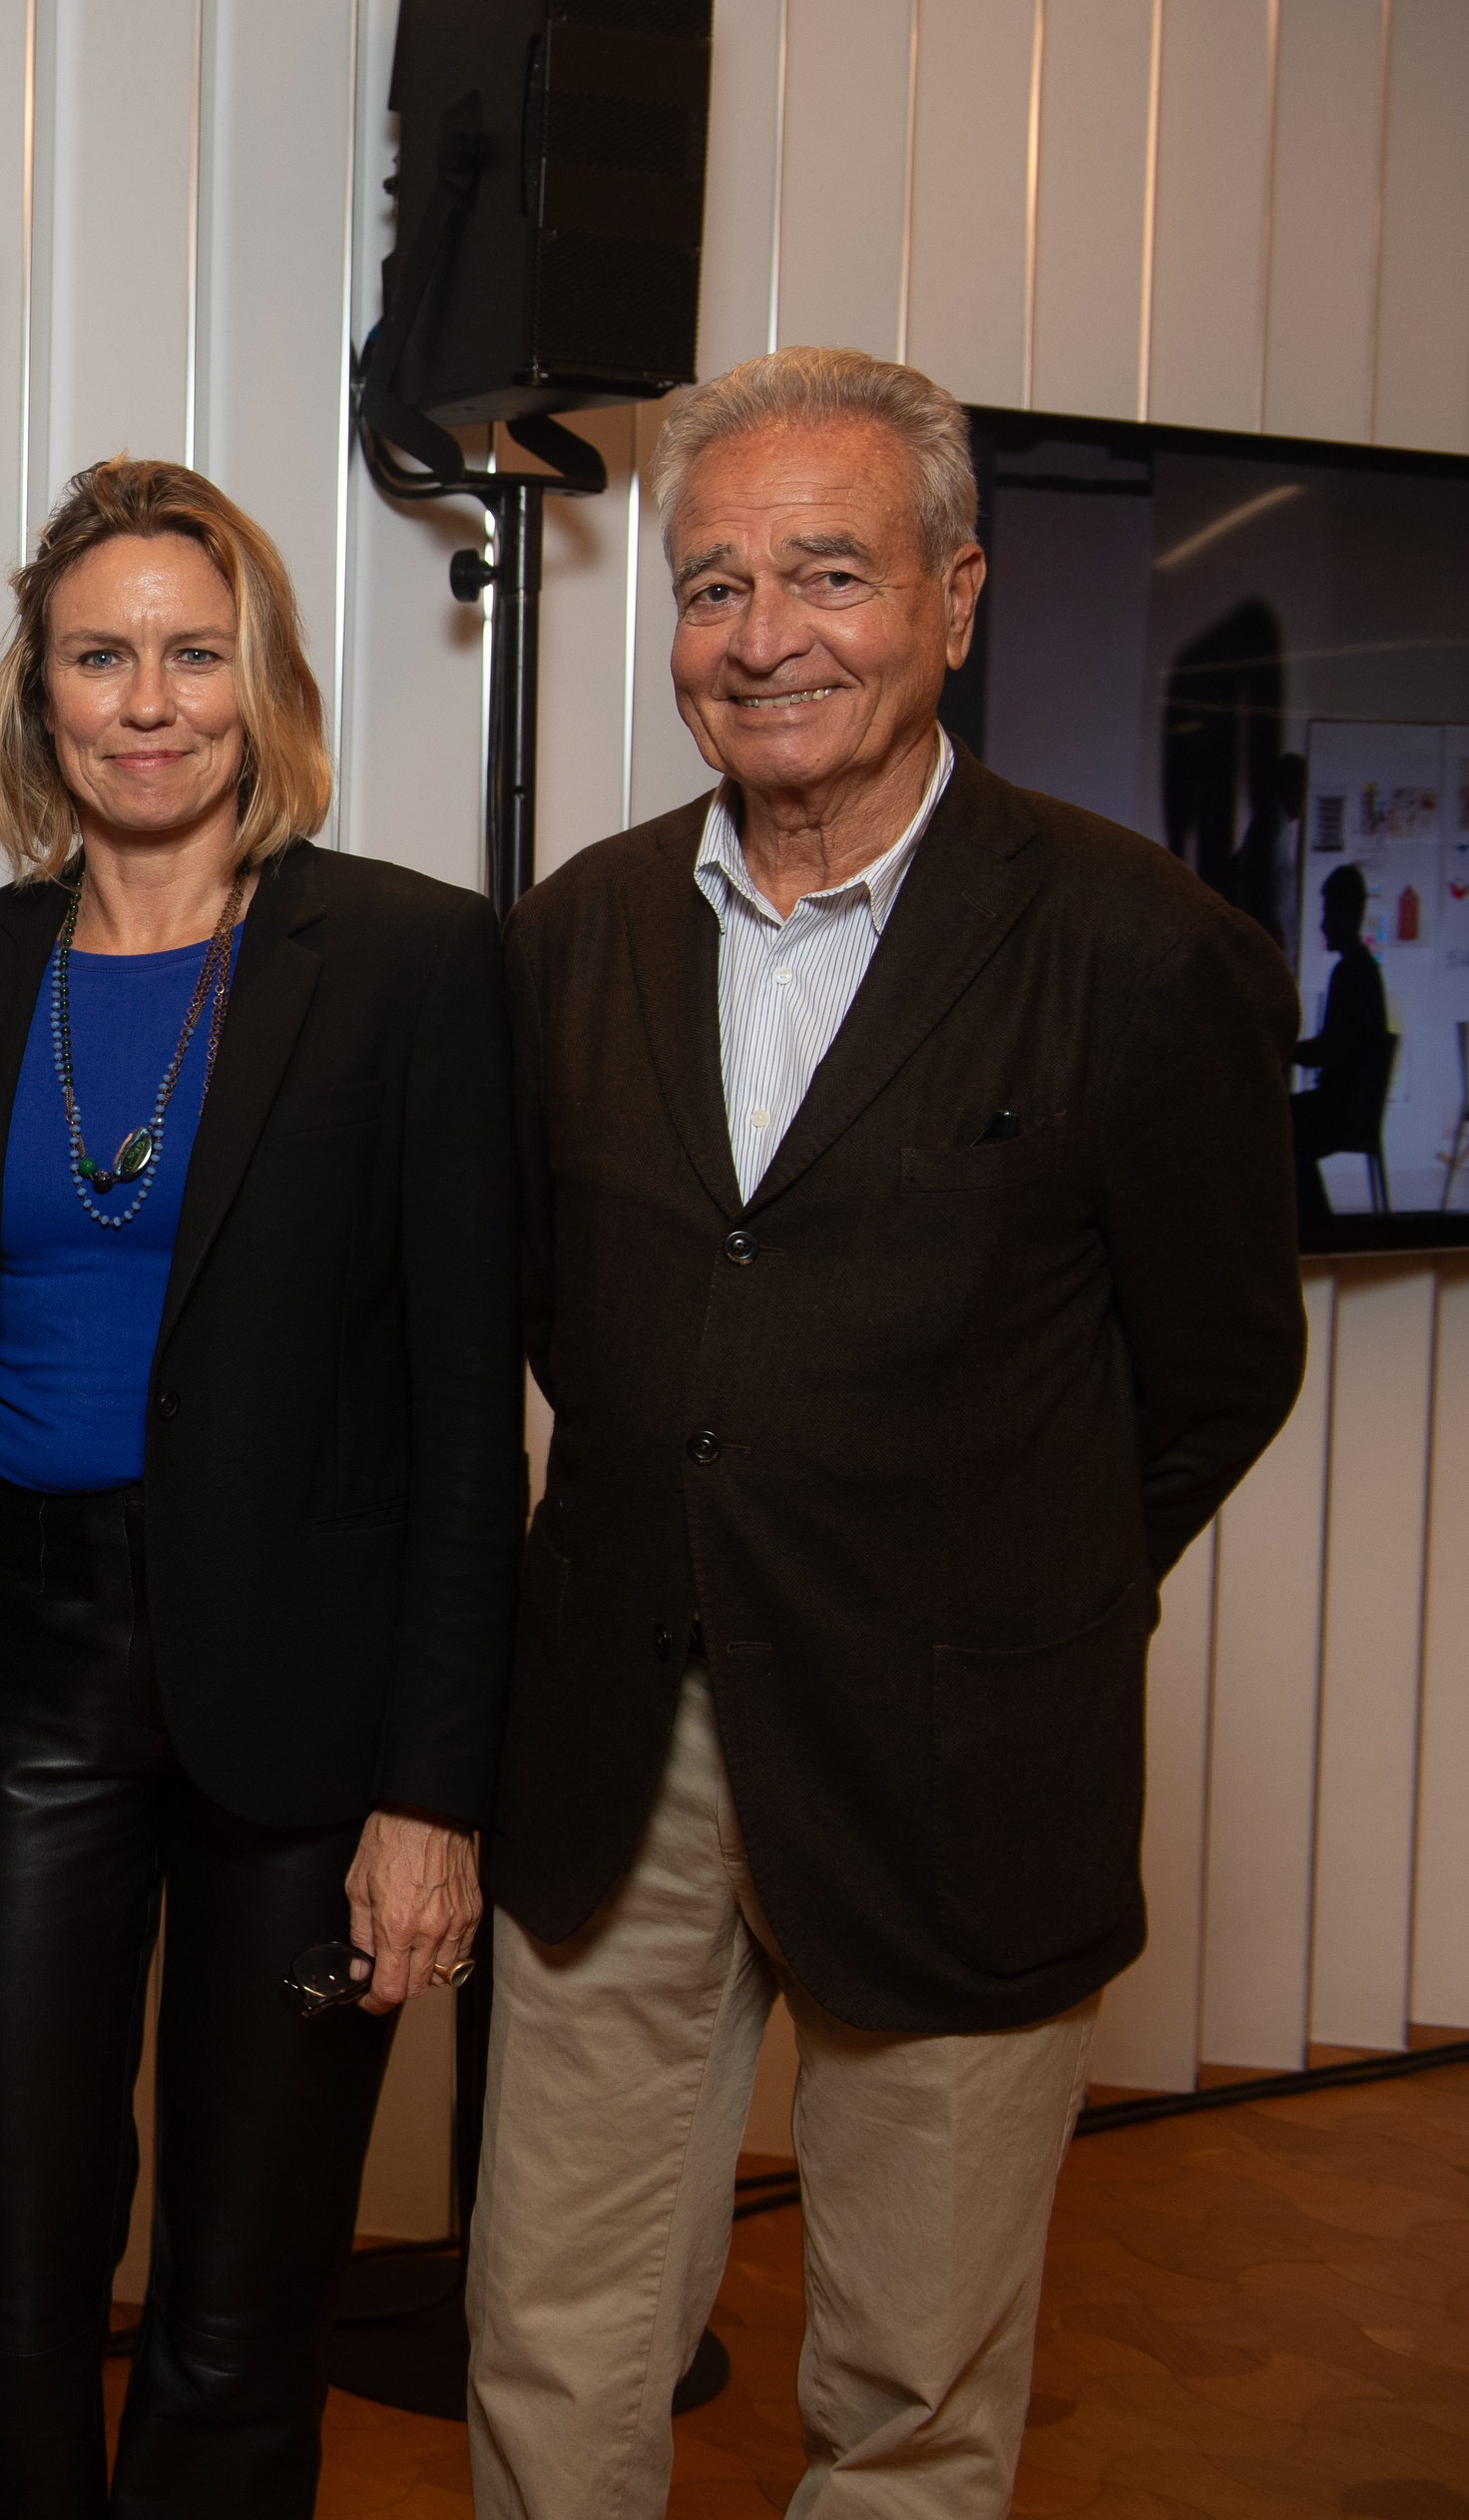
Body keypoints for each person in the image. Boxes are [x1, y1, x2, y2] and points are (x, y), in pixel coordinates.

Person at [471, 345, 1307, 2517]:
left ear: (954, 595)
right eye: (712, 582)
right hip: (611, 1743)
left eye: (824, 573)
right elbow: (576, 1317)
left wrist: (991, 1590)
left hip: (961, 1764)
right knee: (550, 2340)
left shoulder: (1140, 953)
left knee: (908, 2394)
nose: (761, 637)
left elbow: (1213, 1367)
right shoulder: (571, 938)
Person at [0, 458, 515, 2517]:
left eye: (190, 654)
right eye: (96, 656)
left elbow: (471, 1416)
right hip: (25, 1674)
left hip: (308, 1715)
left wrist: (433, 1790)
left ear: (260, 681)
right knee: (10, 2250)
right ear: (35, 698)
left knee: (244, 2280)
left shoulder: (404, 961)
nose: (146, 699)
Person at [1289, 860, 1391, 1215]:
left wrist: (1282, 1050)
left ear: (1347, 912)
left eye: (1328, 910)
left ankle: (1315, 1222)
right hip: (1347, 1105)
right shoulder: (1361, 970)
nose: (1322, 922)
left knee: (1276, 1126)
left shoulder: (1351, 974)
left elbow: (1329, 1050)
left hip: (1342, 1110)